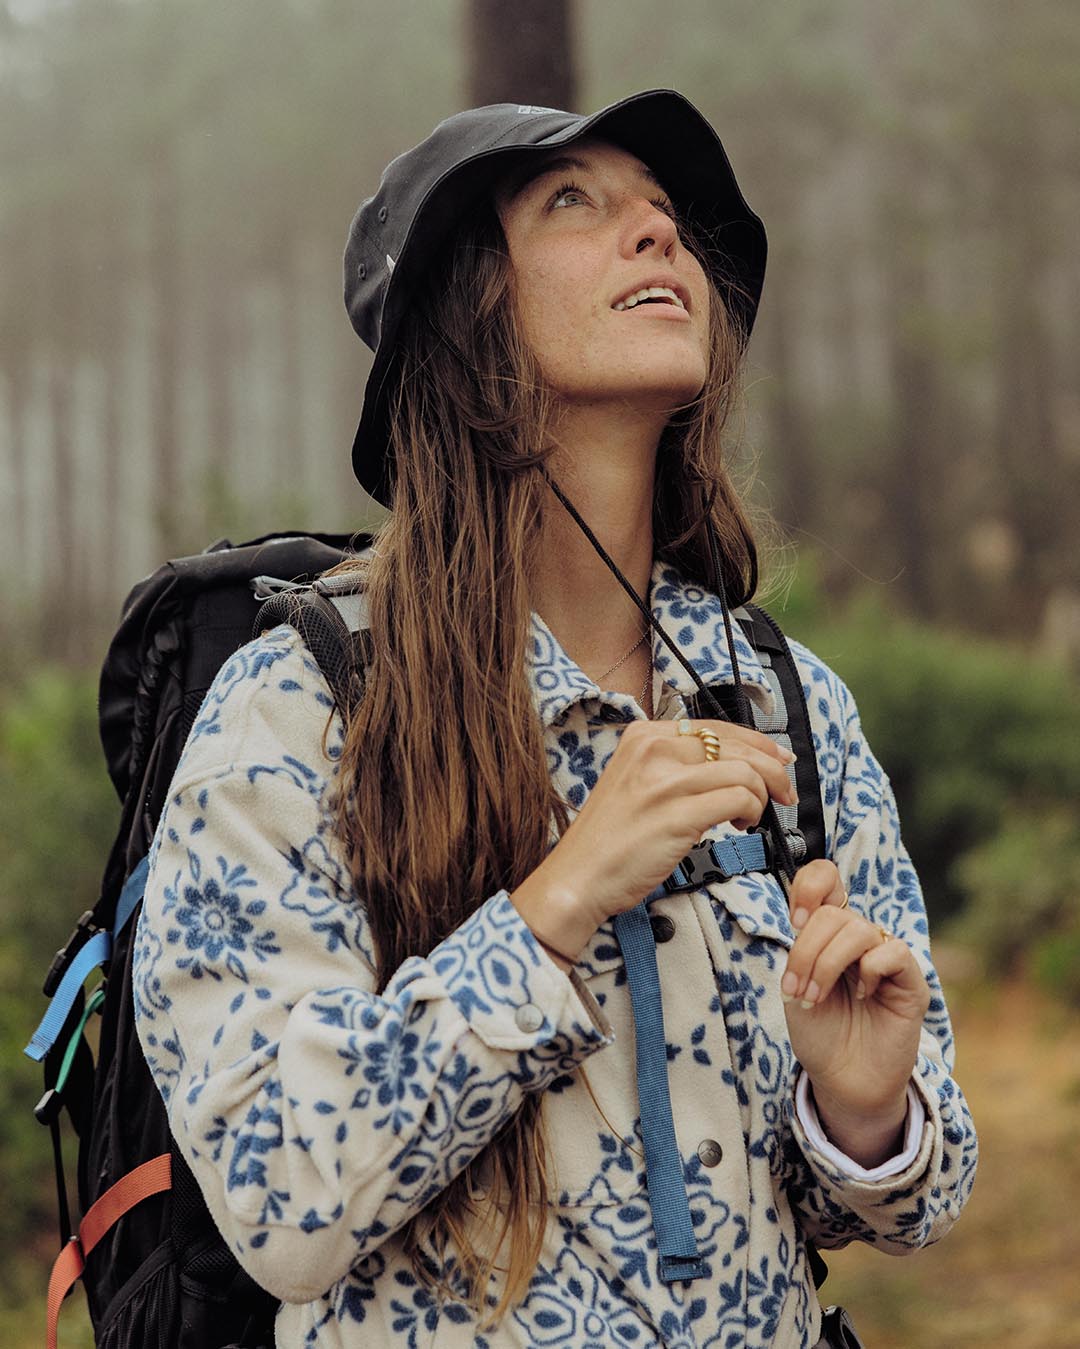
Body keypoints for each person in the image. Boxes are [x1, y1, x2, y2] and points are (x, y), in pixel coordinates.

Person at [133, 90, 977, 1348]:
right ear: (463, 322)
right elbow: (280, 1197)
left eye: (665, 213)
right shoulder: (303, 710)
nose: (656, 233)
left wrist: (865, 1112)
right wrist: (560, 899)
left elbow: (918, 1195)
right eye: (575, 202)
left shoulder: (780, 699)